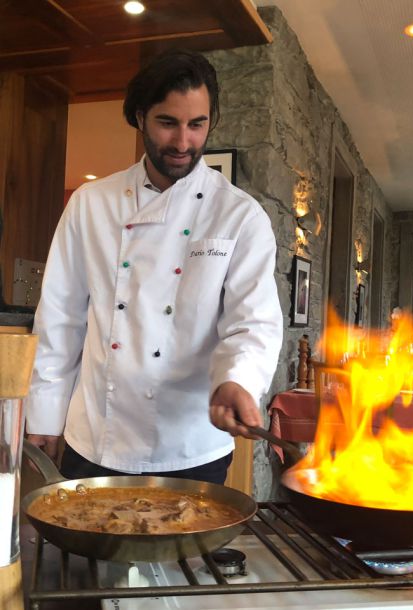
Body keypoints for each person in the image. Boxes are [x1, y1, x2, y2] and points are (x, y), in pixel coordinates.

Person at [25, 49, 283, 483]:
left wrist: (237, 379)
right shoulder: (92, 204)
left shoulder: (239, 216)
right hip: (95, 437)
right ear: (141, 117)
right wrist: (44, 417)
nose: (183, 142)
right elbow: (61, 318)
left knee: (186, 552)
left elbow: (252, 323)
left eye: (196, 124)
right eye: (168, 123)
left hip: (191, 444)